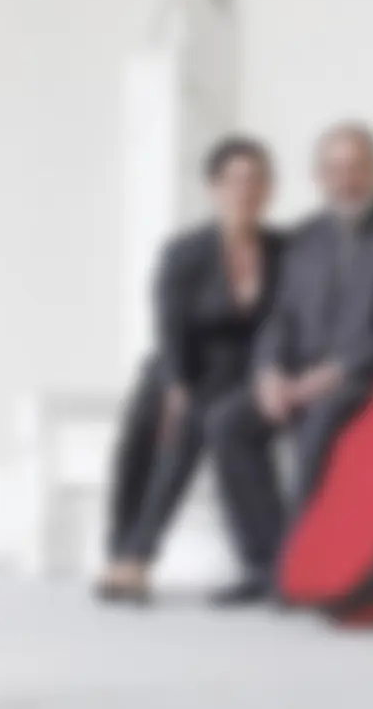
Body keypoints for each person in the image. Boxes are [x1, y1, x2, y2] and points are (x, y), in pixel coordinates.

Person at [207, 122, 373, 605]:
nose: (346, 179)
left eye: (357, 167)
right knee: (227, 423)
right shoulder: (305, 238)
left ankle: (305, 573)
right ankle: (267, 564)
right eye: (334, 169)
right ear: (318, 175)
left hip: (367, 382)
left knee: (319, 427)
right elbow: (279, 318)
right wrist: (269, 373)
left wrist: (336, 373)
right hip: (295, 380)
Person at [99, 136, 283, 603]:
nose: (246, 190)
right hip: (186, 367)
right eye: (236, 180)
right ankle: (130, 553)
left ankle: (137, 557)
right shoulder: (188, 252)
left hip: (247, 376)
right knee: (164, 414)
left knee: (201, 418)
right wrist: (179, 384)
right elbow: (171, 325)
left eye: (255, 180)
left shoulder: (285, 252)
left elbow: (290, 325)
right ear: (215, 187)